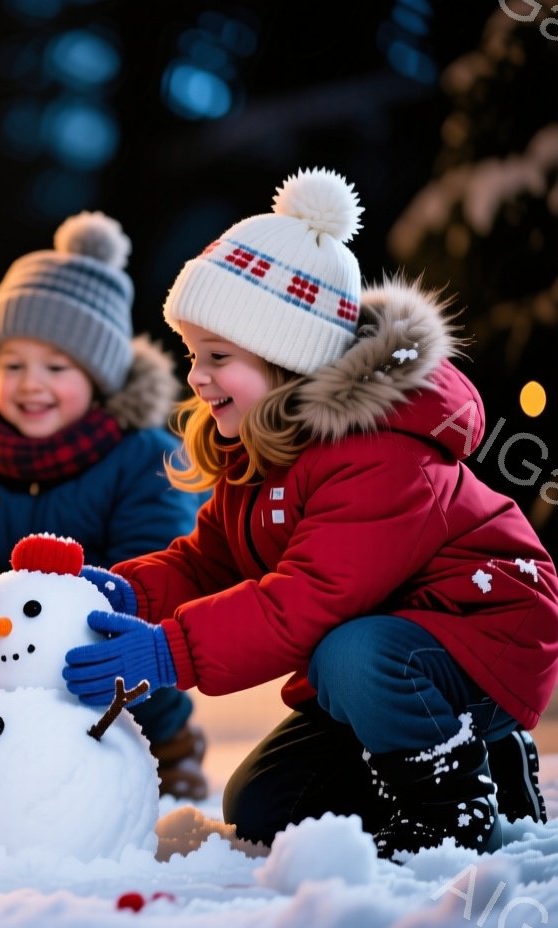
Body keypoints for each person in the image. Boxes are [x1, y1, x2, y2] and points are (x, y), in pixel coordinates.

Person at [63, 168, 558, 859]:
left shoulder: (379, 453)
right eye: (192, 354)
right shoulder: (259, 445)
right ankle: (450, 761)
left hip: (481, 636)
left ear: (285, 357)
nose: (197, 375)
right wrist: (130, 593)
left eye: (218, 356)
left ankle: (455, 802)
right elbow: (210, 561)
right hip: (372, 661)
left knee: (351, 650)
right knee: (267, 806)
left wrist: (169, 650)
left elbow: (311, 598)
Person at [0, 212, 210, 799]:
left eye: (56, 367)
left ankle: (166, 749)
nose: (31, 384)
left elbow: (159, 553)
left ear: (99, 377)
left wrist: (82, 613)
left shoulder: (143, 456)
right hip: (5, 639)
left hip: (100, 637)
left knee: (148, 660)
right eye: (13, 366)